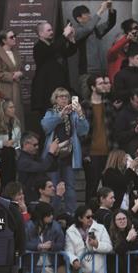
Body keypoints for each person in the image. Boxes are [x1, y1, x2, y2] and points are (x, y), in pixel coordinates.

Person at [40, 88, 89, 215]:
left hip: (69, 154)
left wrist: (80, 114)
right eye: (60, 96)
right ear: (55, 99)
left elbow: (83, 131)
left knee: (70, 188)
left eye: (66, 96)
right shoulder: (50, 113)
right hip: (53, 155)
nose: (63, 99)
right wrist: (60, 116)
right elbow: (45, 127)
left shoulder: (73, 114)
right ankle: (53, 214)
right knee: (54, 187)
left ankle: (71, 214)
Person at [31, 20, 77, 113]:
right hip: (46, 88)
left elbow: (69, 52)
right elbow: (51, 50)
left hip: (59, 87)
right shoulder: (38, 47)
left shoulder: (53, 45)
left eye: (51, 30)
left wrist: (71, 39)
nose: (52, 32)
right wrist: (64, 34)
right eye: (48, 30)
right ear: (40, 33)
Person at [81, 73, 115, 202]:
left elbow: (113, 129)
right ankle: (89, 213)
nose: (104, 85)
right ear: (93, 87)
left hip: (108, 151)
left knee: (109, 187)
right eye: (100, 83)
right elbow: (80, 132)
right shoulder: (84, 106)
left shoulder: (108, 105)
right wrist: (85, 153)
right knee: (92, 187)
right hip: (91, 152)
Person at [72, 1, 116, 94]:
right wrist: (101, 10)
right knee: (87, 101)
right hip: (87, 73)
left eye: (89, 13)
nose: (89, 15)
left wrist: (110, 9)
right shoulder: (76, 31)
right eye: (86, 14)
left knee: (101, 99)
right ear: (79, 19)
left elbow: (110, 23)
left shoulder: (95, 30)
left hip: (101, 71)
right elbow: (87, 29)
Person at [0, 29, 24, 126]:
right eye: (11, 37)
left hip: (16, 88)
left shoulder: (15, 53)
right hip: (4, 89)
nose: (14, 39)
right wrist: (12, 76)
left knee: (17, 114)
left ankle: (17, 137)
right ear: (4, 40)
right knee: (5, 115)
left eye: (14, 36)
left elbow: (20, 69)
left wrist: (20, 74)